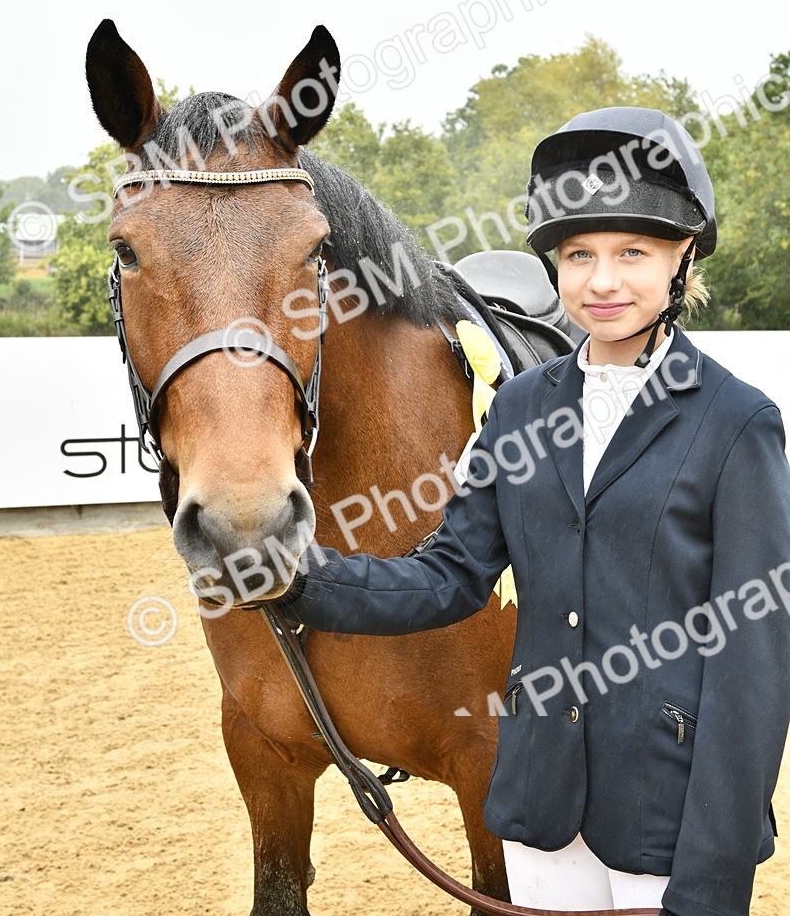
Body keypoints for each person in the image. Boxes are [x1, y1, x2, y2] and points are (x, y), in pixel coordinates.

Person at [279, 107, 790, 916]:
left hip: (670, 826)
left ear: (683, 257)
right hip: (542, 815)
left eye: (634, 253)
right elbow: (449, 576)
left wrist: (715, 872)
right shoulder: (518, 408)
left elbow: (752, 666)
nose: (603, 281)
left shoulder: (738, 423)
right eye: (579, 255)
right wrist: (300, 579)